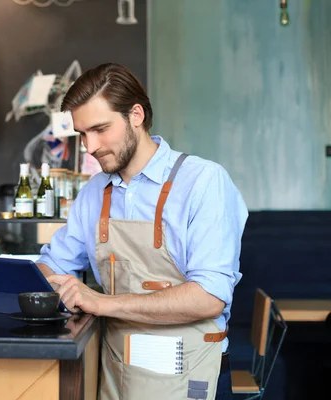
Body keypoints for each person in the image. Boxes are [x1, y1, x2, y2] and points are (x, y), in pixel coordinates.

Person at [36, 63, 248, 400]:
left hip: (189, 373)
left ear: (136, 115)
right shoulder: (93, 193)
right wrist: (49, 281)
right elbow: (52, 265)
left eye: (100, 129)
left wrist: (102, 303)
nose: (90, 147)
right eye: (82, 134)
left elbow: (210, 297)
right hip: (116, 373)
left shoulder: (204, 182)